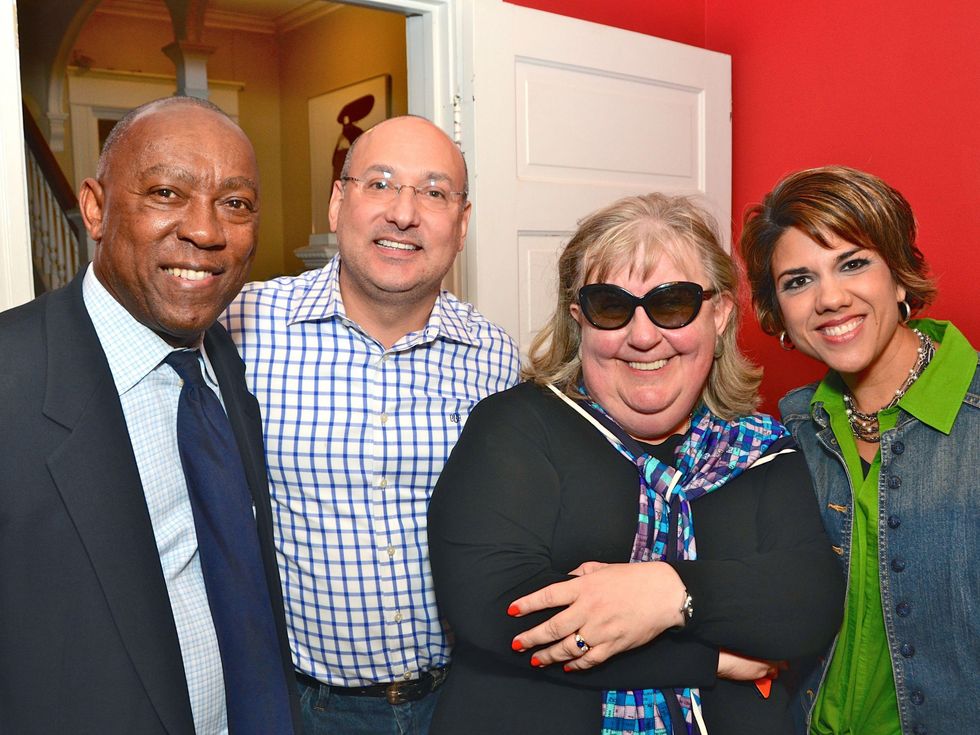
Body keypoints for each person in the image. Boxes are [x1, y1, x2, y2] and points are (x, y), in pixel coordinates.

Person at [427, 193, 844, 735]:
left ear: (718, 315)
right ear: (580, 322)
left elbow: (805, 603)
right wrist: (708, 660)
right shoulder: (517, 426)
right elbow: (494, 610)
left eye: (672, 304)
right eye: (611, 306)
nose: (643, 336)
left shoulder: (758, 448)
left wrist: (667, 593)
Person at [0, 96, 300, 734]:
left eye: (236, 203)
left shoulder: (227, 359)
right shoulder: (11, 378)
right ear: (95, 208)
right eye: (167, 192)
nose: (206, 231)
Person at [222, 114, 520, 735]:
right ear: (338, 202)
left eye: (435, 192)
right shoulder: (241, 330)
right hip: (304, 706)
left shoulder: (497, 359)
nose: (404, 214)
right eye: (379, 184)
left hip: (464, 699)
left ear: (462, 224)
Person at [739, 165, 980, 735]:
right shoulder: (791, 430)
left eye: (852, 264)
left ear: (900, 276)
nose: (830, 298)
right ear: (779, 315)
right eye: (798, 280)